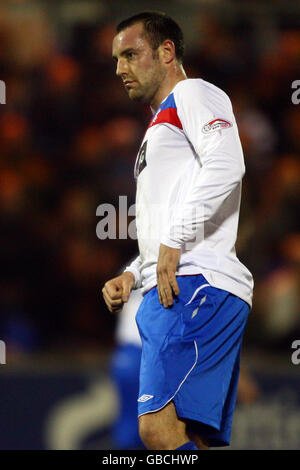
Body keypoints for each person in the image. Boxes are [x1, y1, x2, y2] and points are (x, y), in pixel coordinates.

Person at [102, 11, 254, 450]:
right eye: (117, 59)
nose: (120, 69)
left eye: (131, 55)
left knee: (156, 429)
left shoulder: (192, 92)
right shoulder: (158, 125)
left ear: (167, 52)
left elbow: (229, 164)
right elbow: (166, 222)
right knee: (192, 439)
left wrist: (172, 243)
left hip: (193, 284)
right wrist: (134, 271)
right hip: (174, 283)